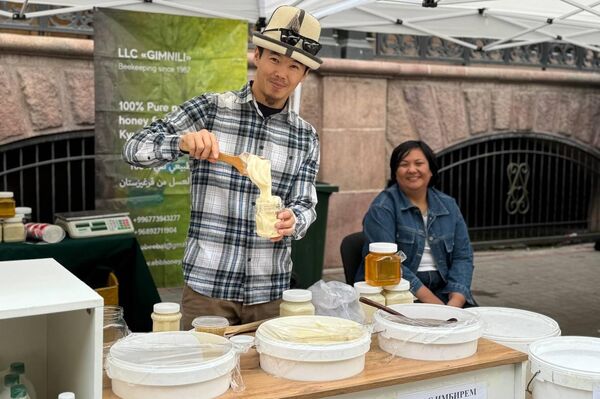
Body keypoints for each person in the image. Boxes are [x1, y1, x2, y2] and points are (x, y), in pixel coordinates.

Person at [122, 5, 323, 328]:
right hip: (207, 290)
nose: (281, 73)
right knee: (202, 375)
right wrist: (182, 142)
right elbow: (134, 148)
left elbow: (305, 203)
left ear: (304, 75)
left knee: (268, 378)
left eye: (294, 66)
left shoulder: (305, 136)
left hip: (269, 291)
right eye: (274, 59)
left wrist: (293, 219)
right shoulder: (211, 109)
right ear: (257, 54)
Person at [356, 140, 475, 307]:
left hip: (446, 289)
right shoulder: (382, 208)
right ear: (395, 172)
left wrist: (456, 301)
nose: (412, 170)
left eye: (419, 163)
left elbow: (463, 257)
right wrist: (434, 304)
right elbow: (386, 262)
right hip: (400, 291)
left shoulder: (448, 205)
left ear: (431, 169)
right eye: (404, 164)